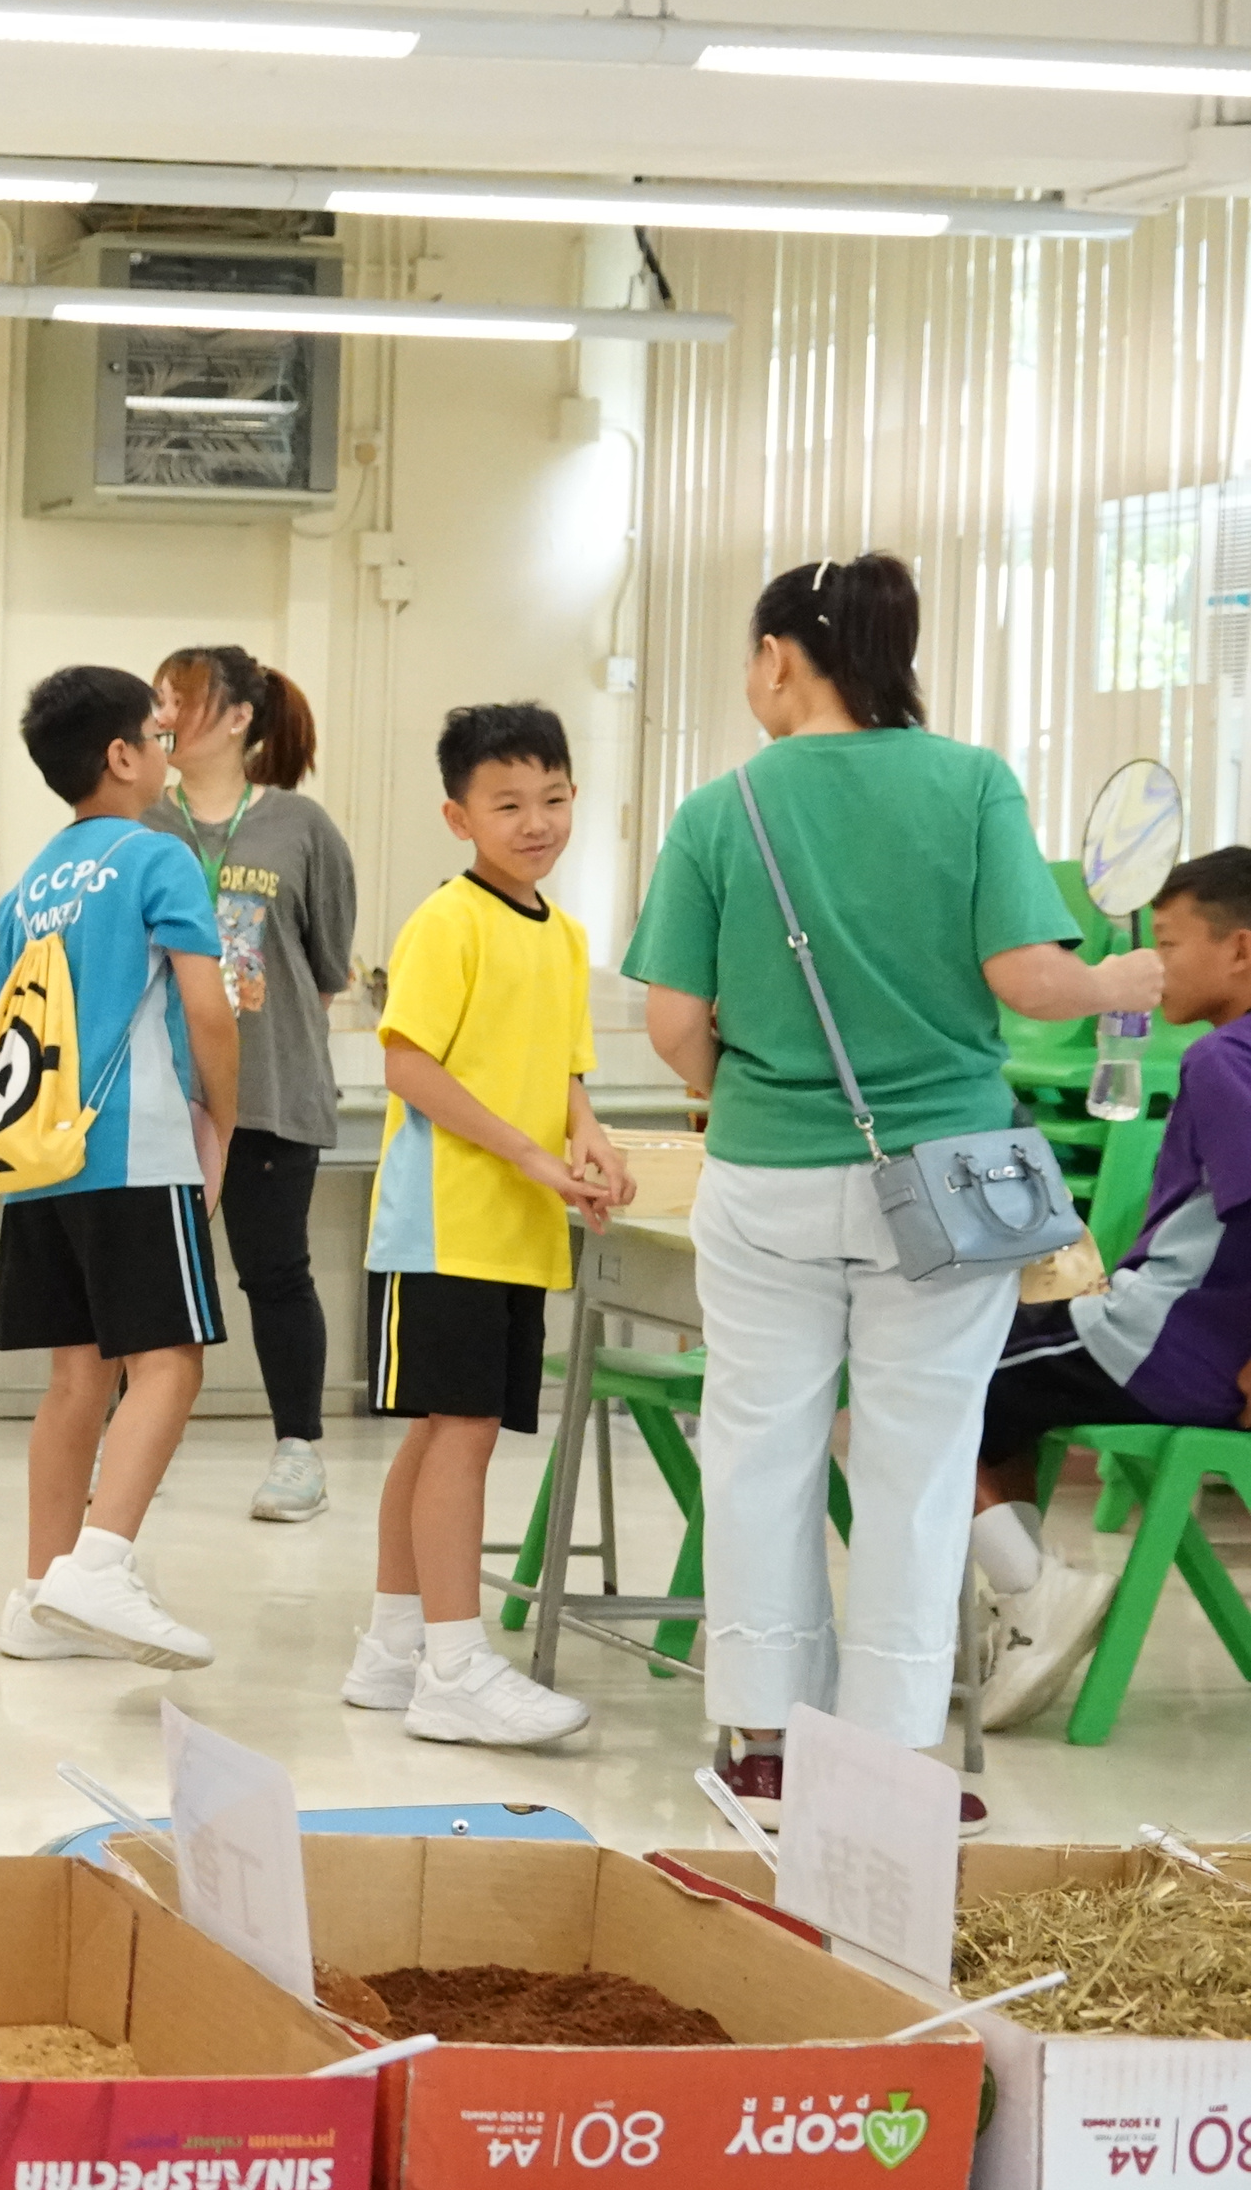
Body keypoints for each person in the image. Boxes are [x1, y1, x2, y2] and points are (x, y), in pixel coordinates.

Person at [627, 552, 1159, 1828]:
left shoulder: (722, 810)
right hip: (949, 1181)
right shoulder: (971, 783)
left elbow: (674, 1023)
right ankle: (893, 1759)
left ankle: (762, 1746)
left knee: (760, 1449)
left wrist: (751, 1090)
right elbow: (1028, 976)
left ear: (779, 658)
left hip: (766, 1176)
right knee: (919, 1464)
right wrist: (1117, 984)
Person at [346, 704, 631, 1748]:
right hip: (443, 1225)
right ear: (458, 817)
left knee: (442, 1433)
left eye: (552, 798)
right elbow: (407, 1065)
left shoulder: (564, 935)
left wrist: (589, 1141)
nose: (536, 821)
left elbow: (565, 1076)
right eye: (507, 804)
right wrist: (527, 1155)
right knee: (458, 1433)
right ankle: (455, 1667)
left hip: (516, 1229)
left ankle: (393, 1650)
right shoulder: (448, 921)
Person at [0, 666, 242, 1672]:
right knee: (171, 1360)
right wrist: (225, 1118)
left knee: (74, 1379)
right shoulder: (157, 857)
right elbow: (208, 1008)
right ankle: (100, 1562)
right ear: (122, 756)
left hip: (41, 1158)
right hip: (134, 1147)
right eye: (158, 738)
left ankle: (40, 1593)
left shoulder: (26, 889)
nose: (168, 756)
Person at [962, 844, 1251, 1731]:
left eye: (1169, 943)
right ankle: (1018, 1611)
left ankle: (1034, 1596)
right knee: (993, 1392)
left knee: (920, 1384)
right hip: (1194, 1346)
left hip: (1164, 1343)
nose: (1154, 965)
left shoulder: (1222, 1060)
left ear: (1240, 949)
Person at [147, 644, 357, 1523]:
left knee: (276, 1273)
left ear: (238, 717)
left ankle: (298, 1452)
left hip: (272, 1089)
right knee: (153, 1283)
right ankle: (137, 1448)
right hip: (163, 1096)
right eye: (157, 700)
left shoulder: (301, 826)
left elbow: (328, 968)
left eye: (180, 700)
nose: (161, 717)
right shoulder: (144, 824)